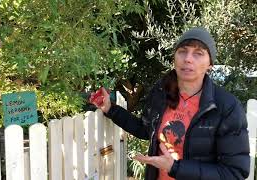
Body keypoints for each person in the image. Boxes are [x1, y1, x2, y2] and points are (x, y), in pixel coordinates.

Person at [91, 27, 250, 180]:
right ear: (174, 57)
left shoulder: (226, 107)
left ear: (210, 64)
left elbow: (234, 173)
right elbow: (145, 129)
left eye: (198, 53)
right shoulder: (162, 92)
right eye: (182, 51)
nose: (188, 58)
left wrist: (175, 168)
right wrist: (110, 109)